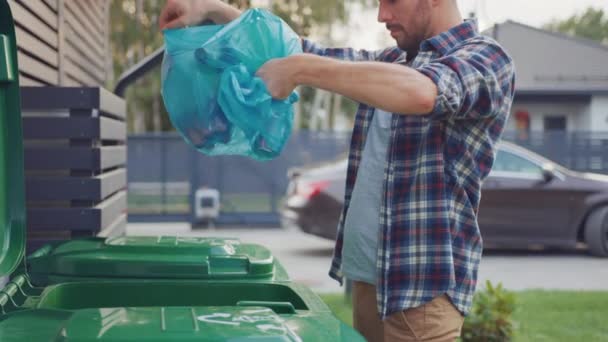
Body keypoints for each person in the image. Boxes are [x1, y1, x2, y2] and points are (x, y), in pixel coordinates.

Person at [159, 0, 515, 341]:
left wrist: (299, 70)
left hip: (420, 289)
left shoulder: (485, 57)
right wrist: (208, 8)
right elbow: (291, 48)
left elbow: (424, 93)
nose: (381, 15)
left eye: (391, 1)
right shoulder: (392, 62)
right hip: (369, 280)